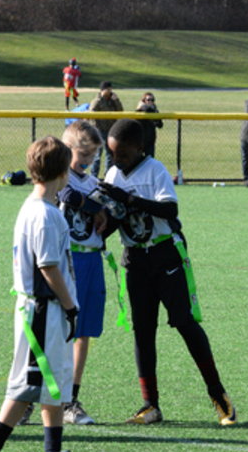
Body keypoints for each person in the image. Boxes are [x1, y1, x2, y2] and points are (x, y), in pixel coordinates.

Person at [100, 118, 236, 425]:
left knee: (185, 323)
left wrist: (129, 199)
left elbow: (169, 209)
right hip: (135, 258)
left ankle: (218, 395)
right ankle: (150, 404)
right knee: (143, 330)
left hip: (166, 255)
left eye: (122, 154)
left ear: (140, 147)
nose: (116, 160)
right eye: (112, 154)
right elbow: (116, 218)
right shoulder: (112, 174)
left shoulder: (155, 170)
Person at [0, 135, 80, 452]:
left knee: (50, 382)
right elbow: (48, 267)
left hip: (43, 310)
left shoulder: (38, 208)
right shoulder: (44, 214)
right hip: (43, 310)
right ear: (63, 173)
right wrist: (70, 306)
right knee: (30, 384)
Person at [59, 120, 107, 425]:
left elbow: (105, 211)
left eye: (92, 156)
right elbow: (68, 196)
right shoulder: (60, 177)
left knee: (83, 332)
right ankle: (33, 396)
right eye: (83, 155)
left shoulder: (93, 183)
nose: (88, 161)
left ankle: (70, 400)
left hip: (92, 260)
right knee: (58, 331)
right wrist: (95, 208)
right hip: (67, 261)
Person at [89, 81, 123, 178]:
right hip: (99, 131)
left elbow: (120, 111)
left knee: (110, 154)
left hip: (111, 130)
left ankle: (108, 175)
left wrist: (116, 100)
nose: (110, 91)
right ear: (102, 90)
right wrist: (97, 128)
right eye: (108, 89)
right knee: (97, 155)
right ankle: (93, 176)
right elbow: (91, 115)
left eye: (110, 89)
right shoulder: (97, 101)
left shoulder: (112, 100)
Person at [135, 92, 163, 157]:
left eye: (152, 100)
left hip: (150, 140)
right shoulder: (141, 110)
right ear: (144, 101)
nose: (150, 101)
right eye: (148, 100)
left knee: (150, 159)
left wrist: (155, 113)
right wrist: (142, 107)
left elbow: (160, 125)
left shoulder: (154, 110)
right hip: (140, 140)